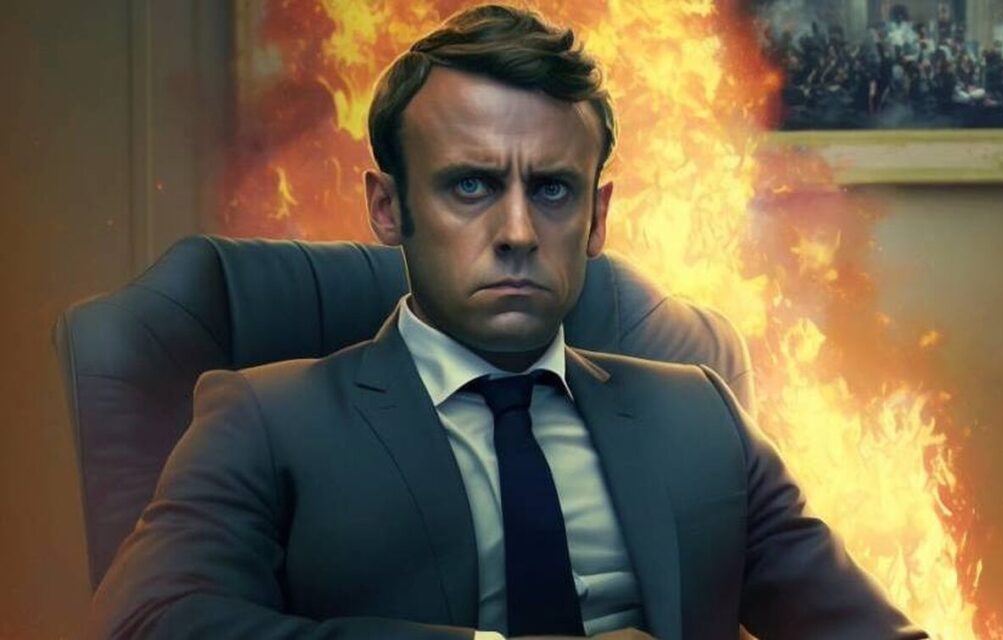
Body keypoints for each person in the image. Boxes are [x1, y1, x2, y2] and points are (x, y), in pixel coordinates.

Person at [87, 4, 928, 639]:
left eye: (553, 190)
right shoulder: (266, 419)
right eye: (471, 185)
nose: (519, 231)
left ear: (597, 218)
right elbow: (148, 623)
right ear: (388, 207)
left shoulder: (699, 414)